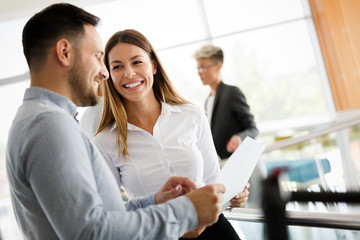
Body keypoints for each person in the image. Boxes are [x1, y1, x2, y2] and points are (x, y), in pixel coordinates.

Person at [6, 4, 226, 239]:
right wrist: (187, 210)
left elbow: (101, 216)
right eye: (98, 57)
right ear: (65, 52)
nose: (104, 72)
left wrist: (155, 201)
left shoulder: (43, 120)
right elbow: (93, 233)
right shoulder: (47, 126)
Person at [94, 29, 249, 239]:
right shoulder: (104, 141)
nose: (128, 73)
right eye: (117, 66)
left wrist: (234, 196)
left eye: (137, 62)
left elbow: (214, 182)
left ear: (154, 66)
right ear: (109, 75)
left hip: (213, 231)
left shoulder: (191, 115)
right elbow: (111, 212)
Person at [193, 44, 259, 161]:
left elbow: (253, 129)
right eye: (198, 68)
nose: (199, 72)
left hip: (237, 163)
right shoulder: (208, 100)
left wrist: (239, 137)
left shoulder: (231, 92)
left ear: (218, 66)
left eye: (203, 67)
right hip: (221, 164)